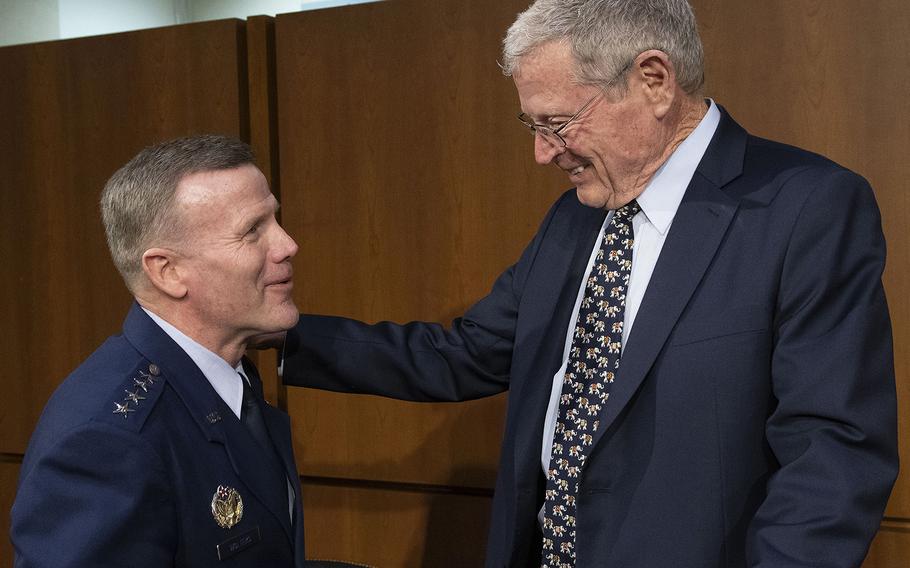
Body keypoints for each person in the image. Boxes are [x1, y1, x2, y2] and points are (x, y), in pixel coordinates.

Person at [280, 1, 898, 567]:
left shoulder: (805, 207)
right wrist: (274, 335)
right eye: (533, 127)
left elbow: (834, 449)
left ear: (653, 80)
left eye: (557, 123)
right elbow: (467, 353)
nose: (544, 154)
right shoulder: (576, 217)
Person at [11, 135, 306, 567]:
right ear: (167, 272)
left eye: (274, 221)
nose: (287, 245)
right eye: (252, 231)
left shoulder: (228, 371)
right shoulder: (107, 443)